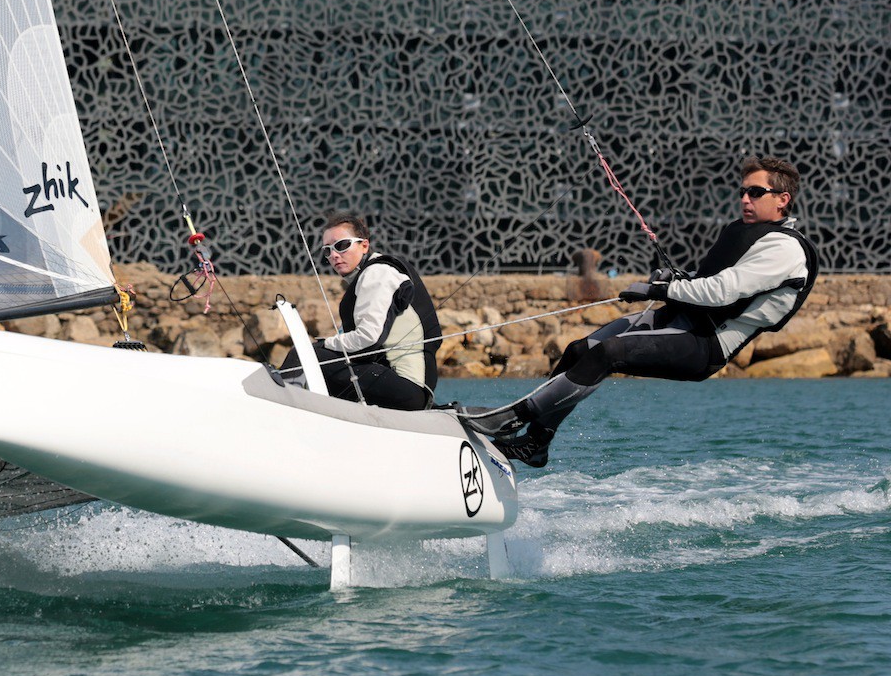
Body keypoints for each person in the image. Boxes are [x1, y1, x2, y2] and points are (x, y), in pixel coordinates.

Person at [464, 156, 818, 467]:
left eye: (755, 193)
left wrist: (657, 289)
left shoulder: (784, 250)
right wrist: (677, 279)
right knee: (579, 351)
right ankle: (535, 444)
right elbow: (710, 278)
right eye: (742, 191)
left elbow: (723, 291)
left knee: (609, 353)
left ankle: (512, 418)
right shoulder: (748, 234)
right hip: (679, 320)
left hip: (705, 343)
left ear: (782, 200)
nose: (744, 199)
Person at [280, 212, 442, 411]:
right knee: (319, 361)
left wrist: (322, 344)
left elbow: (369, 338)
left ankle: (280, 408)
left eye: (341, 245)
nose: (334, 255)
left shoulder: (377, 273)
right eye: (327, 251)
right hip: (401, 386)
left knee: (305, 354)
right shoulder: (368, 276)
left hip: (408, 388)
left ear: (364, 245)